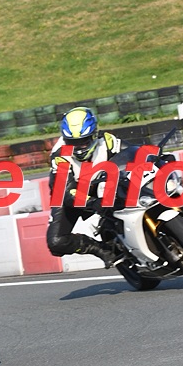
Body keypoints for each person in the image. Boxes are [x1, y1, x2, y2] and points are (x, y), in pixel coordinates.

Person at [46, 107, 123, 265]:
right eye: (73, 143)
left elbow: (136, 154)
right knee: (56, 242)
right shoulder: (59, 156)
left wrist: (158, 157)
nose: (79, 147)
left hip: (103, 183)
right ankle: (100, 249)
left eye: (84, 141)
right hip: (71, 193)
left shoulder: (108, 142)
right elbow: (66, 193)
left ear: (94, 135)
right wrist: (93, 202)